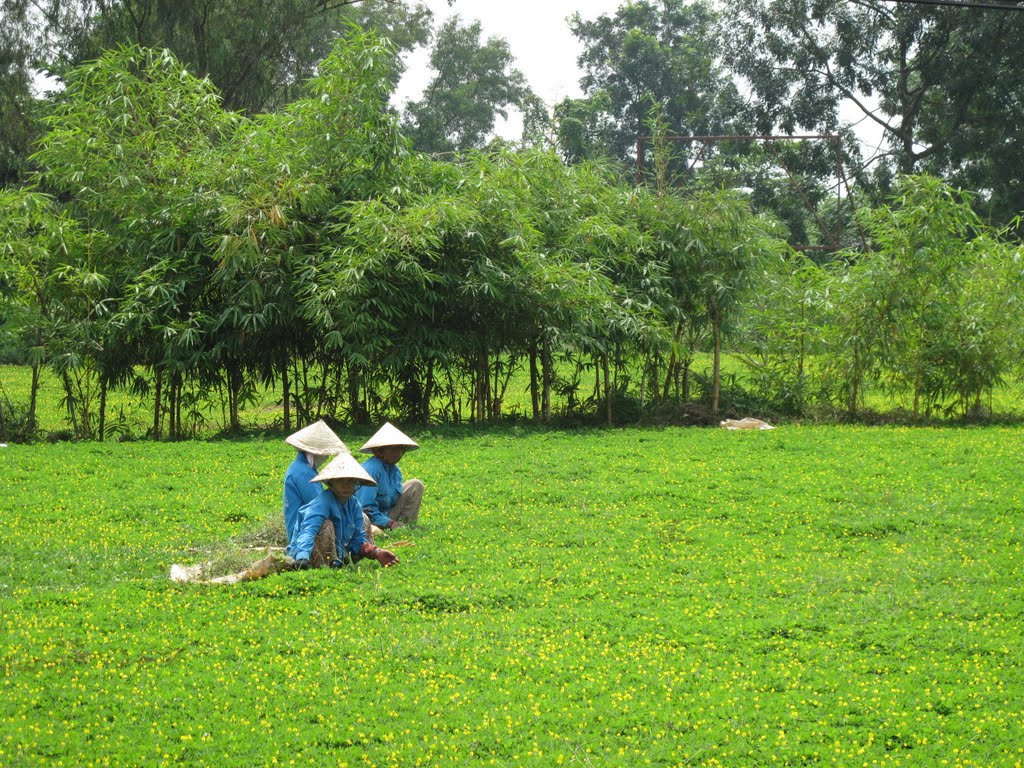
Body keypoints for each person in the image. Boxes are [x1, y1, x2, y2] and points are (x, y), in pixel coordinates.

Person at [288, 453, 399, 569]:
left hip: (340, 551)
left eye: (351, 481)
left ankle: (342, 560)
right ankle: (326, 564)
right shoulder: (323, 502)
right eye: (341, 480)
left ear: (357, 483)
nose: (346, 485)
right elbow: (309, 530)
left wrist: (375, 552)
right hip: (307, 555)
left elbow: (357, 537)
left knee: (364, 517)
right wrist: (302, 557)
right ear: (331, 482)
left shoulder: (354, 504)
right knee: (326, 525)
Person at [282, 420, 349, 547]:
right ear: (313, 453)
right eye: (324, 454)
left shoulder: (304, 468)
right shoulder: (303, 473)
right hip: (303, 534)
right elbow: (320, 504)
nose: (326, 458)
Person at [356, 422, 424, 531]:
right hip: (368, 520)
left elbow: (394, 500)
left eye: (398, 448)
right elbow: (366, 509)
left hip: (386, 513)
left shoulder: (394, 470)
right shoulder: (371, 470)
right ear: (377, 451)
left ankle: (405, 526)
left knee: (415, 485)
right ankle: (395, 527)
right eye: (390, 448)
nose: (396, 452)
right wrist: (389, 523)